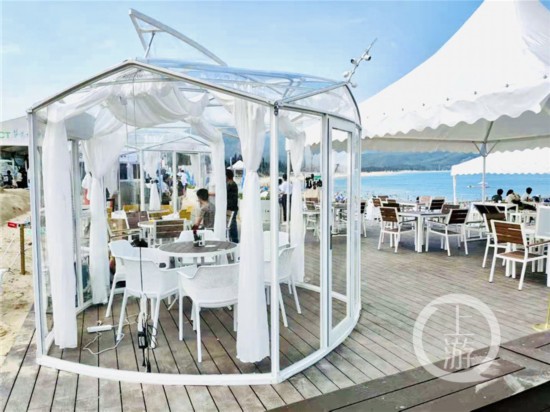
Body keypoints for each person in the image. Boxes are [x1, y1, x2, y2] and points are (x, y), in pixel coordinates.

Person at [226, 169, 239, 243]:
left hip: (231, 208)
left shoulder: (230, 184)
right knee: (231, 225)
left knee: (232, 226)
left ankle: (235, 242)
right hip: (232, 208)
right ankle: (234, 241)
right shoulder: (232, 184)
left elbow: (223, 193)